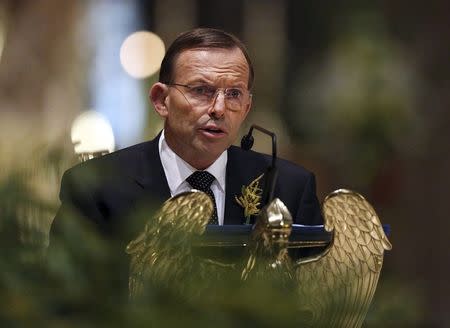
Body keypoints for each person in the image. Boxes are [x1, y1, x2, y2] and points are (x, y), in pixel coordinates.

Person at [51, 27, 322, 249]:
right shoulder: (97, 188)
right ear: (161, 100)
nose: (219, 109)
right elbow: (66, 300)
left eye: (234, 94)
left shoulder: (287, 189)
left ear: (247, 108)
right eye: (202, 90)